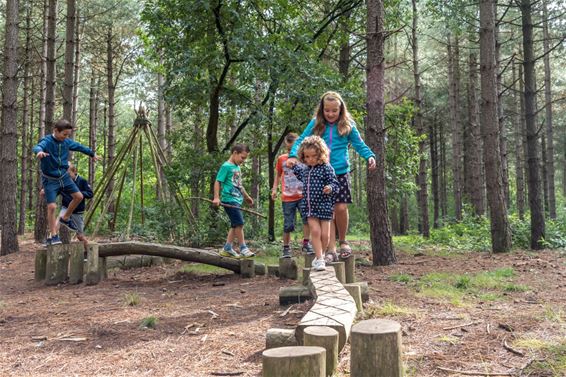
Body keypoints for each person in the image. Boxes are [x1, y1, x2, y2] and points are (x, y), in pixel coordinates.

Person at [287, 91, 376, 263]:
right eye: (327, 110)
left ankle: (343, 241)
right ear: (322, 109)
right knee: (329, 212)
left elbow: (359, 144)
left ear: (340, 109)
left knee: (341, 208)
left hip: (340, 171)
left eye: (334, 110)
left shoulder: (347, 125)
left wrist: (370, 156)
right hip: (320, 172)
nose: (330, 114)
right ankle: (331, 249)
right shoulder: (316, 123)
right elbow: (301, 140)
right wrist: (292, 155)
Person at [33, 119, 100, 245]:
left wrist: (92, 154)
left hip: (64, 177)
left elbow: (79, 147)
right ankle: (53, 236)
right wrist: (39, 152)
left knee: (79, 196)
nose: (66, 137)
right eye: (64, 134)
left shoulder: (66, 142)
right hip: (50, 180)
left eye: (68, 135)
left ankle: (65, 218)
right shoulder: (47, 141)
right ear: (55, 131)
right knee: (52, 206)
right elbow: (38, 146)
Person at [291, 136, 339, 271]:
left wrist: (330, 188)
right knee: (315, 232)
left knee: (326, 236)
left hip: (325, 206)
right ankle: (320, 259)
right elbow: (299, 172)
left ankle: (320, 256)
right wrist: (293, 165)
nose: (310, 159)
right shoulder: (305, 169)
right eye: (307, 157)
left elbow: (335, 184)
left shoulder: (326, 168)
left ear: (321, 154)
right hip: (310, 207)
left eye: (314, 156)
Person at [271, 133, 314, 258]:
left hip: (303, 195)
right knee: (288, 224)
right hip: (287, 197)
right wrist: (274, 189)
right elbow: (278, 175)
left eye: (293, 148)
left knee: (307, 219)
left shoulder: (305, 159)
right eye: (288, 149)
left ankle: (306, 243)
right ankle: (286, 248)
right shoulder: (282, 159)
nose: (291, 152)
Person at [213, 144, 255, 258]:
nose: (243, 161)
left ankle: (227, 248)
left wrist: (246, 197)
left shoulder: (237, 168)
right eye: (242, 157)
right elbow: (218, 181)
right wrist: (216, 197)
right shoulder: (226, 166)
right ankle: (243, 248)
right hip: (229, 199)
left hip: (237, 199)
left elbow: (239, 185)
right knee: (240, 223)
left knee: (234, 225)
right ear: (235, 153)